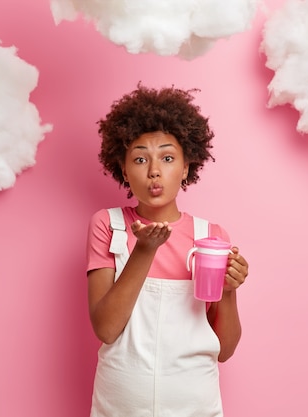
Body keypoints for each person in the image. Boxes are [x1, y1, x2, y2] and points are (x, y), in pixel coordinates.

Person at [85, 83, 249, 416]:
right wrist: (144, 250)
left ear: (186, 167)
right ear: (124, 169)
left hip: (195, 404)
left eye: (168, 157)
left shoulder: (210, 237)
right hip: (119, 404)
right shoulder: (109, 225)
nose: (154, 171)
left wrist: (228, 292)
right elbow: (106, 328)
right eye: (140, 158)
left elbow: (225, 350)